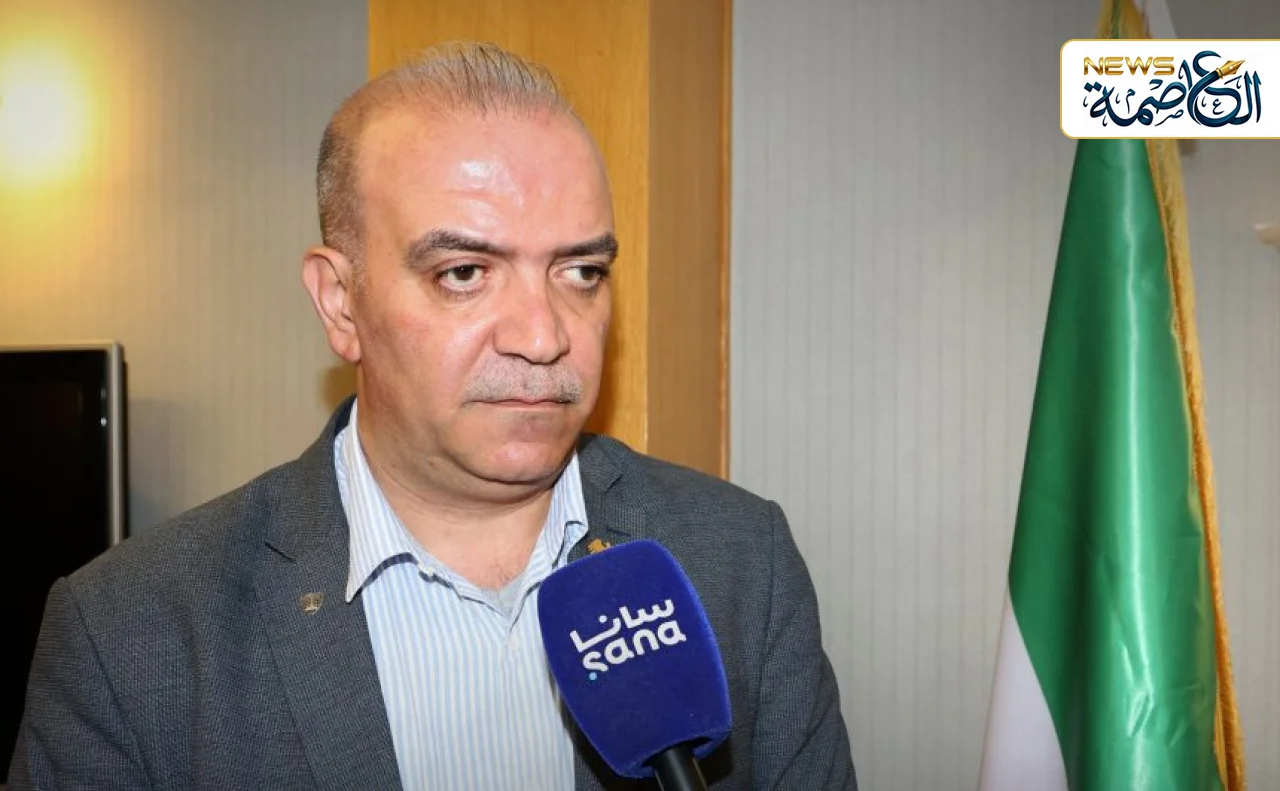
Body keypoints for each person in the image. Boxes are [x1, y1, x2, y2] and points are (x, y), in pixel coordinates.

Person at [7, 42, 856, 790]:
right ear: (339, 302)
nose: (544, 337)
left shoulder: (742, 564)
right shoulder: (129, 633)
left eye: (581, 273)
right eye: (464, 273)